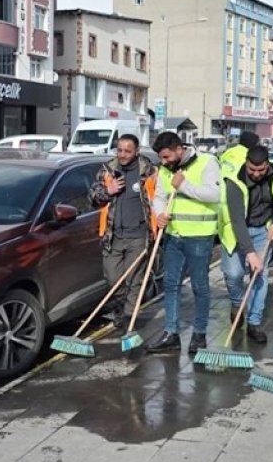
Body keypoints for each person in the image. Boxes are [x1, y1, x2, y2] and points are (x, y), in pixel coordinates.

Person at [147, 131, 221, 355]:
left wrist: (184, 186)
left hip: (199, 236)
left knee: (199, 286)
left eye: (167, 156)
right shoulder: (164, 169)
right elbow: (159, 197)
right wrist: (159, 214)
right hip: (173, 235)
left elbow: (215, 194)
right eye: (161, 158)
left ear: (179, 149)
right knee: (171, 285)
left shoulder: (207, 162)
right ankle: (171, 333)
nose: (164, 162)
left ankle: (199, 334)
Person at [219, 145, 273, 344]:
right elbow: (237, 220)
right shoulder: (234, 180)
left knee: (259, 275)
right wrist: (250, 252)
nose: (255, 174)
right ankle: (237, 304)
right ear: (246, 163)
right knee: (234, 274)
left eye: (260, 170)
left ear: (267, 164)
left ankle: (254, 322)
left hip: (264, 230)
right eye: (251, 169)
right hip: (236, 232)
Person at [89, 134, 158, 324]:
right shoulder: (107, 171)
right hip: (113, 237)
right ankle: (122, 306)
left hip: (138, 236)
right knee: (113, 279)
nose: (122, 154)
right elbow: (92, 198)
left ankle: (128, 319)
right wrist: (108, 191)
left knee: (134, 280)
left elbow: (159, 198)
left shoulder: (149, 172)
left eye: (127, 151)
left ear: (136, 151)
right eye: (119, 150)